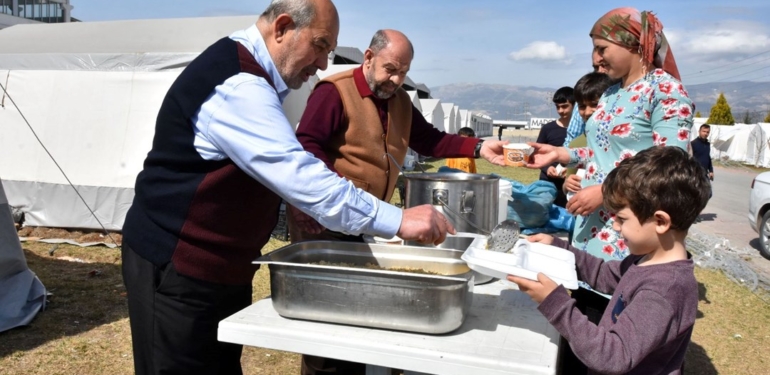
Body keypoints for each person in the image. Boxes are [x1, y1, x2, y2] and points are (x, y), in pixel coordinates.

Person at [120, 1, 456, 374]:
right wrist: (398, 220)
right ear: (282, 28)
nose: (323, 63)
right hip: (179, 266)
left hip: (220, 268)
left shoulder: (256, 76)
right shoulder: (239, 85)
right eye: (320, 45)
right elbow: (300, 173)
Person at [289, 29, 507, 243]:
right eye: (390, 69)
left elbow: (429, 139)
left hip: (367, 220)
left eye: (403, 72)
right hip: (324, 219)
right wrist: (328, 194)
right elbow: (308, 145)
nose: (395, 79)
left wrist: (479, 147)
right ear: (369, 57)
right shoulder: (334, 91)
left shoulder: (400, 100)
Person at [509, 146, 710, 375]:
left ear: (661, 222)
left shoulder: (664, 290)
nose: (615, 226)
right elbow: (604, 275)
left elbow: (612, 356)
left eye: (622, 219)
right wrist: (559, 247)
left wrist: (554, 302)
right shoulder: (647, 259)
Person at [527, 7, 694, 262]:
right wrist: (560, 154)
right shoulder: (610, 93)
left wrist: (606, 192)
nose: (596, 58)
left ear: (632, 44)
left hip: (628, 229)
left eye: (602, 48)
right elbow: (603, 150)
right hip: (590, 223)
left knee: (614, 286)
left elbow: (670, 166)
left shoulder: (665, 90)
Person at [562, 72, 617, 199]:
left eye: (594, 104)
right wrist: (567, 184)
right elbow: (568, 181)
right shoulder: (577, 143)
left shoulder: (623, 141)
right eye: (582, 106)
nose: (587, 112)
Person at [536, 87, 574, 207]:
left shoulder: (583, 130)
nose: (560, 110)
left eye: (565, 106)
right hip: (548, 183)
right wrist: (547, 168)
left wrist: (571, 170)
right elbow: (536, 154)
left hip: (570, 185)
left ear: (575, 105)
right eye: (558, 107)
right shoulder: (548, 129)